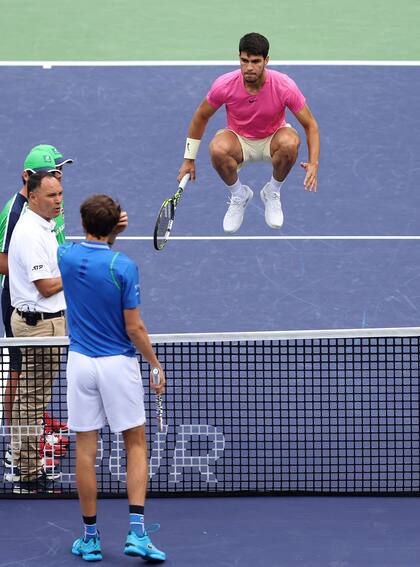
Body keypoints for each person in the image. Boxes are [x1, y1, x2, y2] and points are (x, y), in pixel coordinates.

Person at [58, 194, 166, 562]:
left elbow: (76, 240)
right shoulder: (124, 266)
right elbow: (133, 328)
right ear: (115, 226)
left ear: (85, 224)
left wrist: (103, 230)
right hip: (116, 365)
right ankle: (136, 533)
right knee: (135, 443)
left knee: (85, 452)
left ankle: (89, 538)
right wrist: (153, 363)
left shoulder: (66, 256)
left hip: (80, 364)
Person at [178, 32, 320, 233]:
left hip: (274, 137)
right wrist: (189, 159)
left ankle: (272, 192)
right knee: (217, 149)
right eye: (244, 61)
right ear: (239, 58)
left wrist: (314, 162)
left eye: (255, 61)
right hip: (239, 141)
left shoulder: (284, 86)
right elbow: (200, 116)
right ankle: (239, 195)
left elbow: (310, 124)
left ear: (266, 60)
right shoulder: (225, 85)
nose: (249, 67)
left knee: (290, 142)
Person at [0, 145, 72, 482]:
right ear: (31, 189)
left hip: (46, 318)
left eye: (60, 189)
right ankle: (23, 466)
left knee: (35, 392)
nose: (58, 195)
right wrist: (75, 271)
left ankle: (24, 458)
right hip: (34, 319)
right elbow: (44, 284)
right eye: (52, 192)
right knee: (28, 393)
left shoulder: (44, 219)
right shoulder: (23, 225)